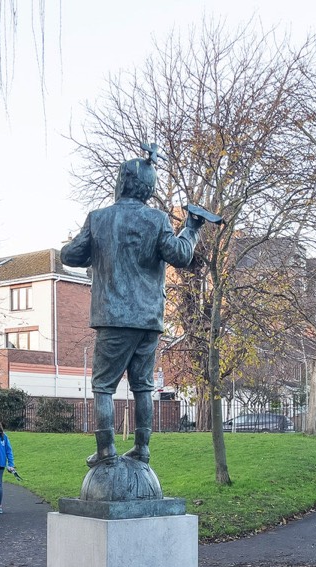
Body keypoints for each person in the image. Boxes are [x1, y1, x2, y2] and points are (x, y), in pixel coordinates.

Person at [61, 154, 204, 467]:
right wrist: (192, 227)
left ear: (121, 182)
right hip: (148, 321)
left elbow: (69, 255)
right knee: (143, 386)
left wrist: (96, 253)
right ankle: (142, 448)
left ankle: (106, 450)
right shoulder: (157, 220)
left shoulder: (98, 218)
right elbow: (180, 255)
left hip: (113, 318)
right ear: (148, 189)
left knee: (102, 387)